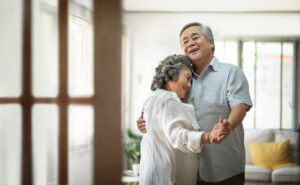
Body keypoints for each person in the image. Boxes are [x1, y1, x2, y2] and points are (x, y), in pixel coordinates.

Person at [137, 22, 253, 185]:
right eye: (184, 41)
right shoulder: (179, 80)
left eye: (195, 37)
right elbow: (164, 112)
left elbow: (240, 106)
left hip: (224, 167)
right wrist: (147, 122)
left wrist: (229, 124)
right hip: (187, 171)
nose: (190, 43)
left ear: (211, 42)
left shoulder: (231, 72)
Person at [139, 54, 228, 185]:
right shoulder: (168, 98)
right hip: (168, 177)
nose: (189, 85)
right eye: (187, 78)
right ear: (171, 74)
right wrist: (207, 137)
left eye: (191, 81)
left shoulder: (155, 97)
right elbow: (176, 134)